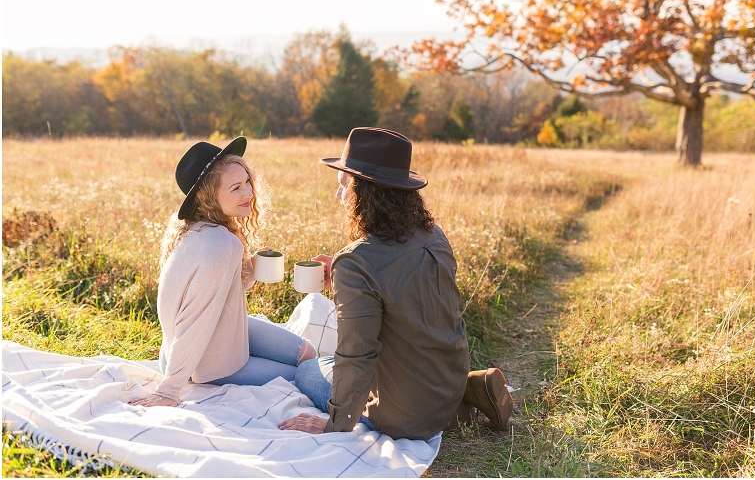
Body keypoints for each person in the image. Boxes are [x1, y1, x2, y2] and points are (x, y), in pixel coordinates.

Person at [278, 127, 513, 440]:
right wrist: (341, 274)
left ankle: (435, 408)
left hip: (404, 415)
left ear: (365, 192)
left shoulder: (357, 261)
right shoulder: (435, 236)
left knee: (310, 369)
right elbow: (405, 294)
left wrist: (335, 424)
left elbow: (356, 355)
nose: (338, 196)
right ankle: (462, 396)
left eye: (343, 186)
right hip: (446, 380)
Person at [129, 136, 317, 408]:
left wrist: (248, 271)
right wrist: (169, 391)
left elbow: (218, 294)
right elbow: (196, 319)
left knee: (307, 352)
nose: (249, 193)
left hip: (204, 339)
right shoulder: (220, 244)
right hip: (205, 364)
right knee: (305, 374)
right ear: (209, 197)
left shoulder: (196, 228)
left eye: (247, 182)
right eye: (236, 188)